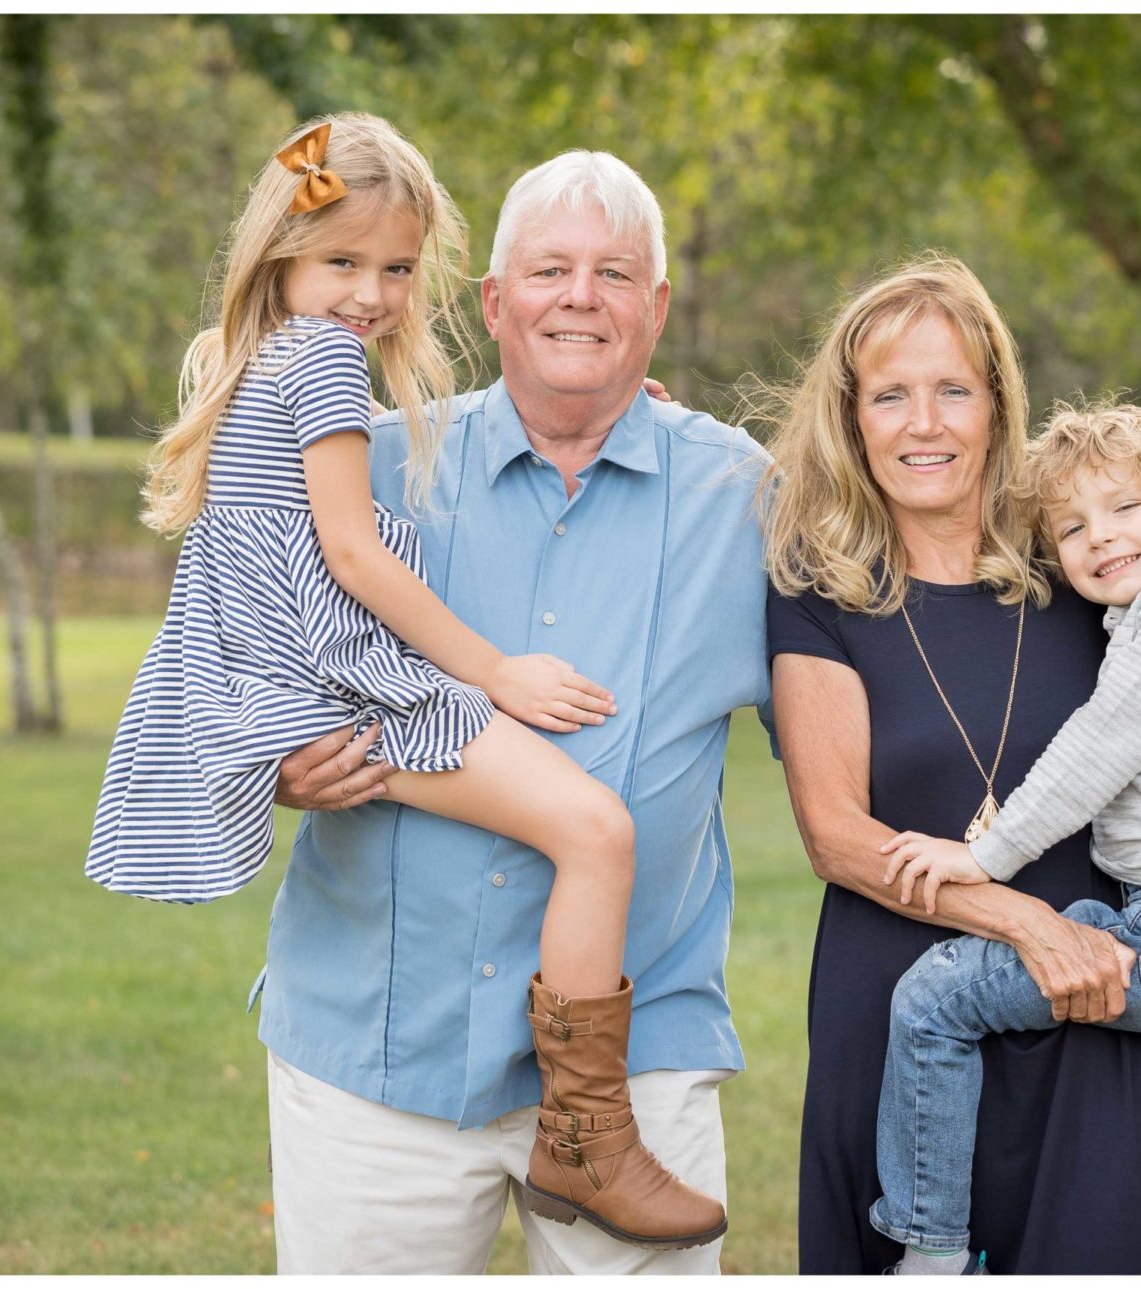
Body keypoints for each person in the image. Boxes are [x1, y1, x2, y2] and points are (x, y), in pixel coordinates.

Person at [85, 121, 725, 1252]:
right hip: (363, 827)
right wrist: (488, 673)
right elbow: (351, 556)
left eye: (391, 268)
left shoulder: (277, 370)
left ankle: (579, 1124)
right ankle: (587, 1136)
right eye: (344, 262)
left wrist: (632, 412)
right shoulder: (335, 380)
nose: (370, 295)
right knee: (593, 828)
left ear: (653, 308)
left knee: (590, 831)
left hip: (328, 687)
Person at [257, 150, 771, 1274]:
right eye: (548, 268)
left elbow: (900, 654)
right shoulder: (369, 472)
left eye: (614, 274)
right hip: (376, 1049)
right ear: (494, 302)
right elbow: (234, 670)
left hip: (639, 1065)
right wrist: (279, 763)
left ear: (659, 307)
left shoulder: (748, 498)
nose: (579, 296)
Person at [762, 255, 1141, 1274]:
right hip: (904, 1012)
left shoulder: (1085, 563)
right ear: (855, 416)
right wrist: (1021, 918)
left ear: (996, 403)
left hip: (1102, 1003)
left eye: (953, 389)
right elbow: (835, 833)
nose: (924, 422)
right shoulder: (817, 592)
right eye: (892, 394)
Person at [871, 398, 1141, 1275]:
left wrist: (982, 857)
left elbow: (1100, 747)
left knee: (934, 998)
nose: (1099, 537)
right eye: (1071, 526)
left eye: (1126, 508)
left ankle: (931, 1247)